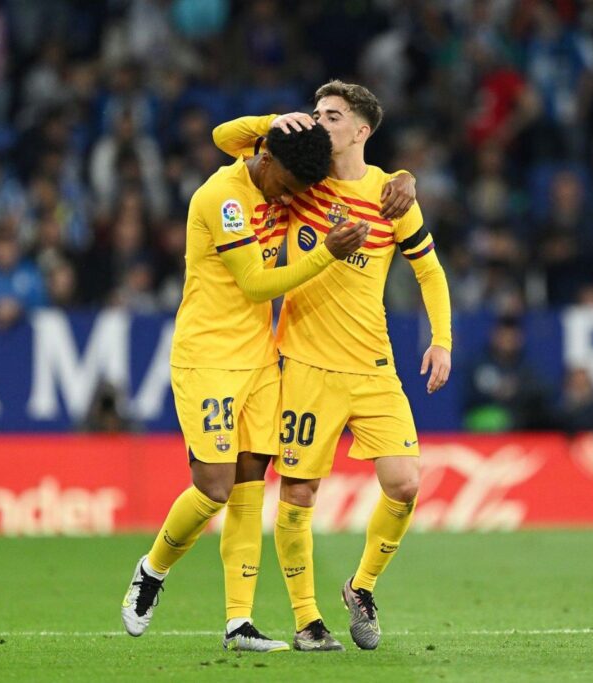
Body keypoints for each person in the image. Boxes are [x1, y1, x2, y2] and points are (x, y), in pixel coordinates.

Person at [212, 80, 452, 651]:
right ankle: (307, 621)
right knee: (298, 496)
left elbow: (430, 271)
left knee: (405, 482)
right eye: (317, 112)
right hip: (306, 363)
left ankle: (361, 586)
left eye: (333, 115)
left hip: (373, 366)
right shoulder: (301, 183)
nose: (321, 122)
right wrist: (280, 118)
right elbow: (226, 140)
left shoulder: (393, 195)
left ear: (362, 131)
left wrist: (441, 339)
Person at [119, 123, 369, 653]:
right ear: (267, 158)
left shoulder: (275, 173)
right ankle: (153, 568)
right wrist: (326, 252)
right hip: (209, 358)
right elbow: (255, 283)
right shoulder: (220, 197)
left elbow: (236, 137)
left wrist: (289, 124)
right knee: (214, 487)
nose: (289, 197)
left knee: (251, 486)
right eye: (288, 184)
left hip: (260, 359)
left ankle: (239, 623)